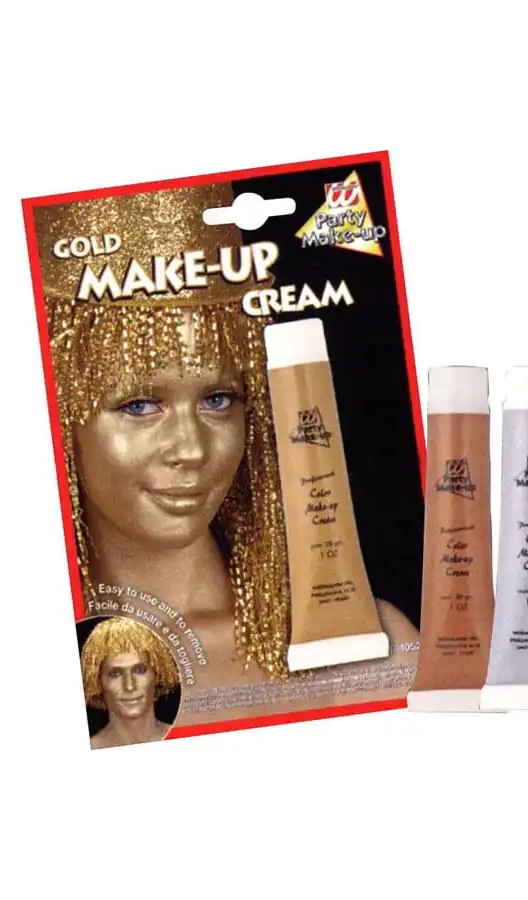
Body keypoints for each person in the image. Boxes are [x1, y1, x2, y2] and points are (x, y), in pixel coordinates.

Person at [35, 184, 418, 690]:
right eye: (139, 406)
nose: (192, 449)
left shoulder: (375, 648)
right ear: (64, 414)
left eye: (218, 400)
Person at [81, 617, 180, 749]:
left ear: (158, 673)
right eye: (115, 674)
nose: (129, 686)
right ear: (97, 682)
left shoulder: (185, 735)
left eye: (140, 670)